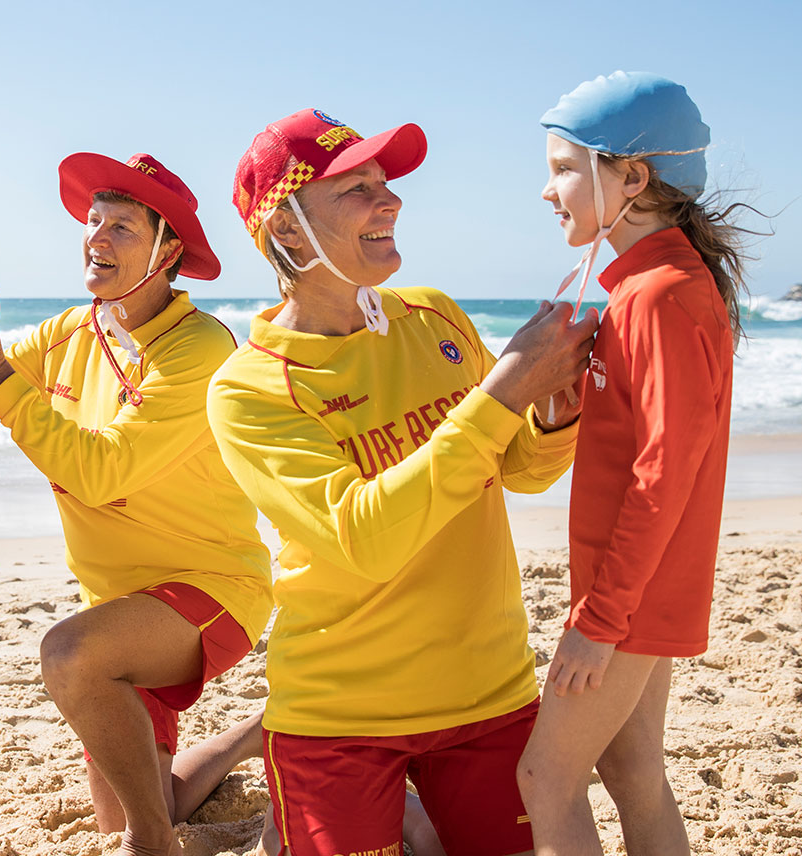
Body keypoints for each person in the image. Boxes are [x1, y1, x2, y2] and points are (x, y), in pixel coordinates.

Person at [207, 107, 601, 856]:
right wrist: (507, 393)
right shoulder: (249, 388)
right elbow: (363, 539)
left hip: (490, 693)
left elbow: (516, 470)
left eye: (384, 183)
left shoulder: (434, 318)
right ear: (286, 229)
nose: (389, 201)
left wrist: (554, 415)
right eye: (355, 189)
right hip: (339, 714)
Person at [0, 152, 273, 856]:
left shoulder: (200, 349)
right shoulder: (69, 332)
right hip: (117, 606)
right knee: (138, 802)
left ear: (168, 249)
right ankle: (256, 736)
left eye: (121, 226)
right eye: (93, 221)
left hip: (213, 590)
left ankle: (152, 845)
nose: (96, 237)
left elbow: (101, 473)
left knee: (68, 656)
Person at [515, 72, 746, 856]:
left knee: (544, 779)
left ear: (634, 177)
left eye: (561, 168)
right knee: (634, 769)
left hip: (632, 595)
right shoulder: (643, 289)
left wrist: (599, 623)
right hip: (637, 585)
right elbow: (638, 443)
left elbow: (664, 474)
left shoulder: (661, 294)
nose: (546, 191)